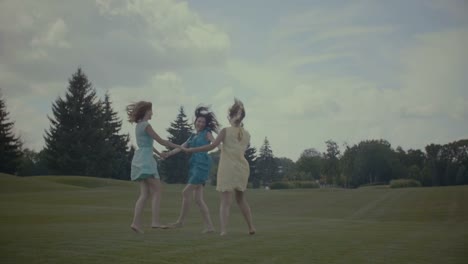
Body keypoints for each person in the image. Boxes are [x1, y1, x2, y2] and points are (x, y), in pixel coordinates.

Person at [182, 99, 255, 236]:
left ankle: (223, 231)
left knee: (225, 201)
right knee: (241, 199)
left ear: (229, 117)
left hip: (227, 167)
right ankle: (251, 227)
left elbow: (211, 146)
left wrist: (192, 150)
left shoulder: (225, 131)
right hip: (242, 168)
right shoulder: (247, 134)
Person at [126, 101, 181, 234]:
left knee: (144, 194)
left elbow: (147, 144)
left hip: (139, 159)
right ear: (146, 111)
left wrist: (159, 153)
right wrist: (180, 147)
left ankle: (136, 223)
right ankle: (155, 222)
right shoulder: (146, 125)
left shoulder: (139, 126)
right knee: (157, 190)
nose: (152, 113)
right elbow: (161, 140)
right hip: (146, 161)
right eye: (151, 110)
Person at [165, 106, 218, 233]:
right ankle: (210, 227)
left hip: (202, 165)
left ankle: (180, 222)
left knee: (185, 192)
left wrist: (220, 148)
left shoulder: (207, 133)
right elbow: (181, 147)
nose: (200, 123)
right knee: (198, 200)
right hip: (194, 165)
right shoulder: (193, 136)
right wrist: (168, 154)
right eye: (198, 121)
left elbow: (215, 144)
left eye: (203, 122)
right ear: (195, 122)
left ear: (206, 124)